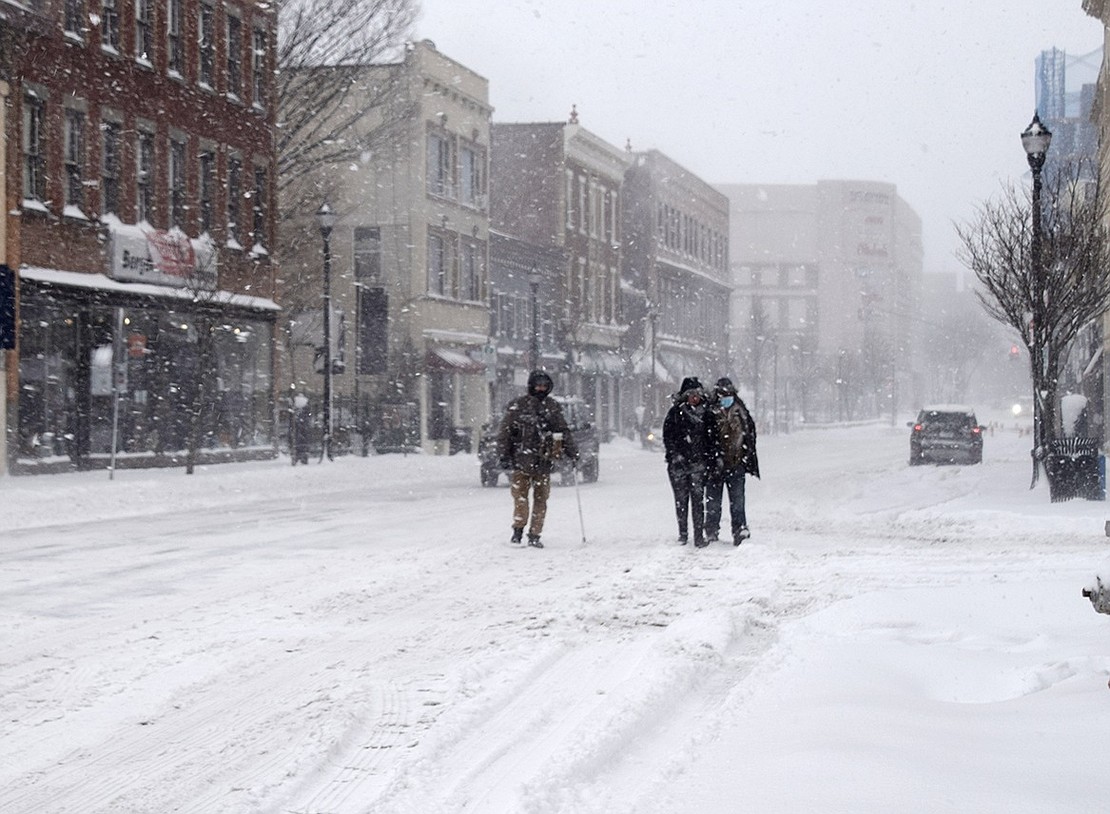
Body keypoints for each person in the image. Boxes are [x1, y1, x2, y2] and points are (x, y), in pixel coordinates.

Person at [496, 370, 579, 548]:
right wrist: (503, 454)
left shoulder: (553, 407)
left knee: (541, 500)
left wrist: (572, 452)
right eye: (538, 385)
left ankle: (535, 534)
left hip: (543, 462)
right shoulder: (518, 406)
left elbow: (563, 432)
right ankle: (518, 531)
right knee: (520, 498)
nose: (540, 388)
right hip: (522, 461)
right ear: (531, 386)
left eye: (544, 385)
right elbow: (505, 433)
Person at [663, 377, 717, 547]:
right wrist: (675, 455)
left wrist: (710, 460)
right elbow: (668, 437)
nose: (695, 397)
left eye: (698, 394)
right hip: (679, 465)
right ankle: (683, 533)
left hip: (698, 464)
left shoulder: (708, 415)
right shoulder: (674, 414)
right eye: (692, 394)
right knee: (681, 500)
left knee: (697, 500)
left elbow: (712, 440)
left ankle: (698, 535)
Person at [705, 377, 760, 545]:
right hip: (715, 466)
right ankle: (711, 531)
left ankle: (740, 529)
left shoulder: (740, 411)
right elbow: (705, 438)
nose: (725, 397)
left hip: (736, 464)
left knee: (738, 502)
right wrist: (714, 458)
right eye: (723, 394)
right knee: (713, 503)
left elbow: (750, 434)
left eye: (728, 393)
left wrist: (745, 456)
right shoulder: (710, 413)